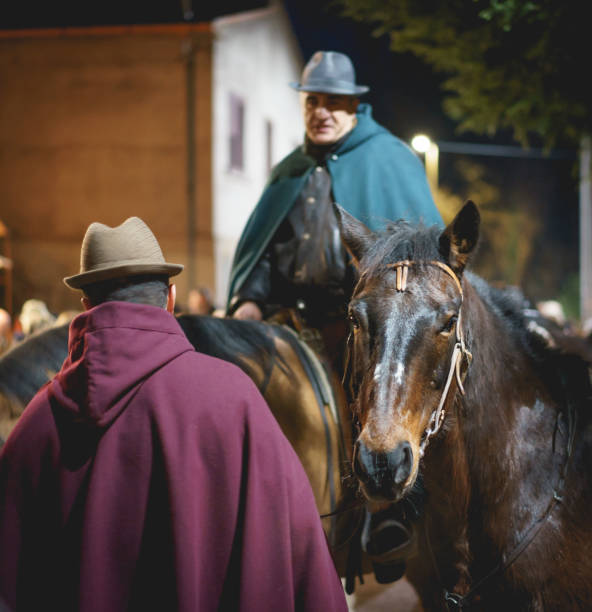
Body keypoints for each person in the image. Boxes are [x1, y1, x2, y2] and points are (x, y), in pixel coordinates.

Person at [0, 217, 348, 612]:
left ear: (85, 305)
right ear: (170, 297)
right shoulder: (234, 399)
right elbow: (301, 557)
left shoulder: (37, 425)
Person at [227, 50, 443, 325]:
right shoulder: (290, 169)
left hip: (356, 326)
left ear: (353, 105)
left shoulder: (389, 157)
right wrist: (249, 299)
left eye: (333, 102)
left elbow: (421, 256)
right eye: (312, 101)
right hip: (283, 319)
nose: (321, 113)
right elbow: (264, 248)